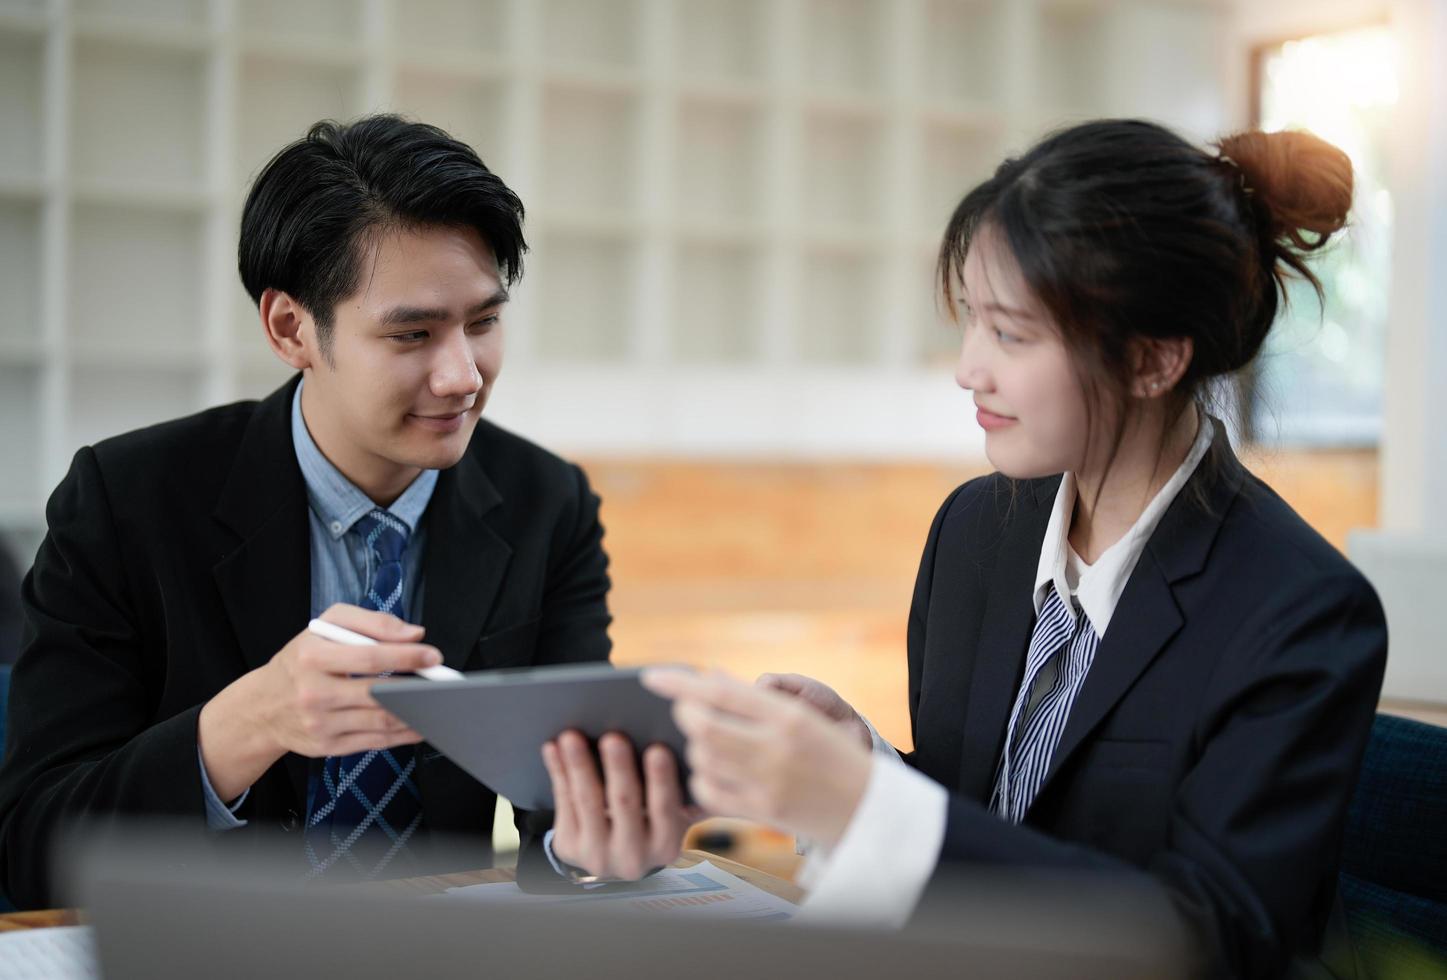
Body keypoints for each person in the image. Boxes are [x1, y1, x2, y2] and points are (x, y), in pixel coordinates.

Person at [645, 120, 1387, 978]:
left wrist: (868, 810)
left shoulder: (1299, 613)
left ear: (1151, 360)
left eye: (1010, 334)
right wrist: (868, 767)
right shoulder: (973, 533)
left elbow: (1208, 941)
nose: (968, 368)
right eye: (970, 320)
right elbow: (992, 815)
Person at [0, 115, 690, 909]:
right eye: (412, 334)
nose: (463, 375)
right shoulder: (126, 500)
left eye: (484, 322)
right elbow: (28, 852)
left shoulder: (546, 503)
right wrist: (248, 723)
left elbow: (561, 813)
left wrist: (595, 840)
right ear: (291, 328)